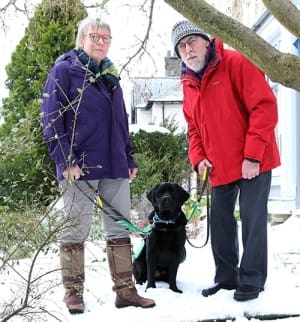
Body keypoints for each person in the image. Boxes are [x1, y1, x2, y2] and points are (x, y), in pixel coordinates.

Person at [40, 17, 155, 314]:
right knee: (75, 229)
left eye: (107, 37)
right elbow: (51, 119)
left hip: (114, 163)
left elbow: (121, 122)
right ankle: (73, 293)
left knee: (118, 227)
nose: (102, 41)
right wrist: (65, 161)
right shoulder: (64, 70)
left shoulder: (109, 75)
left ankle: (126, 291)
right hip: (79, 165)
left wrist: (128, 158)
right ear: (81, 40)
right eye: (95, 36)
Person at [171, 20, 280, 301]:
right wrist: (198, 159)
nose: (188, 50)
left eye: (192, 42)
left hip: (253, 161)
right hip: (218, 165)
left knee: (252, 219)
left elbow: (264, 107)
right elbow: (193, 129)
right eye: (181, 47)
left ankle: (252, 279)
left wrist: (253, 155)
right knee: (220, 221)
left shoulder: (237, 62)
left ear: (206, 42)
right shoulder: (187, 84)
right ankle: (227, 277)